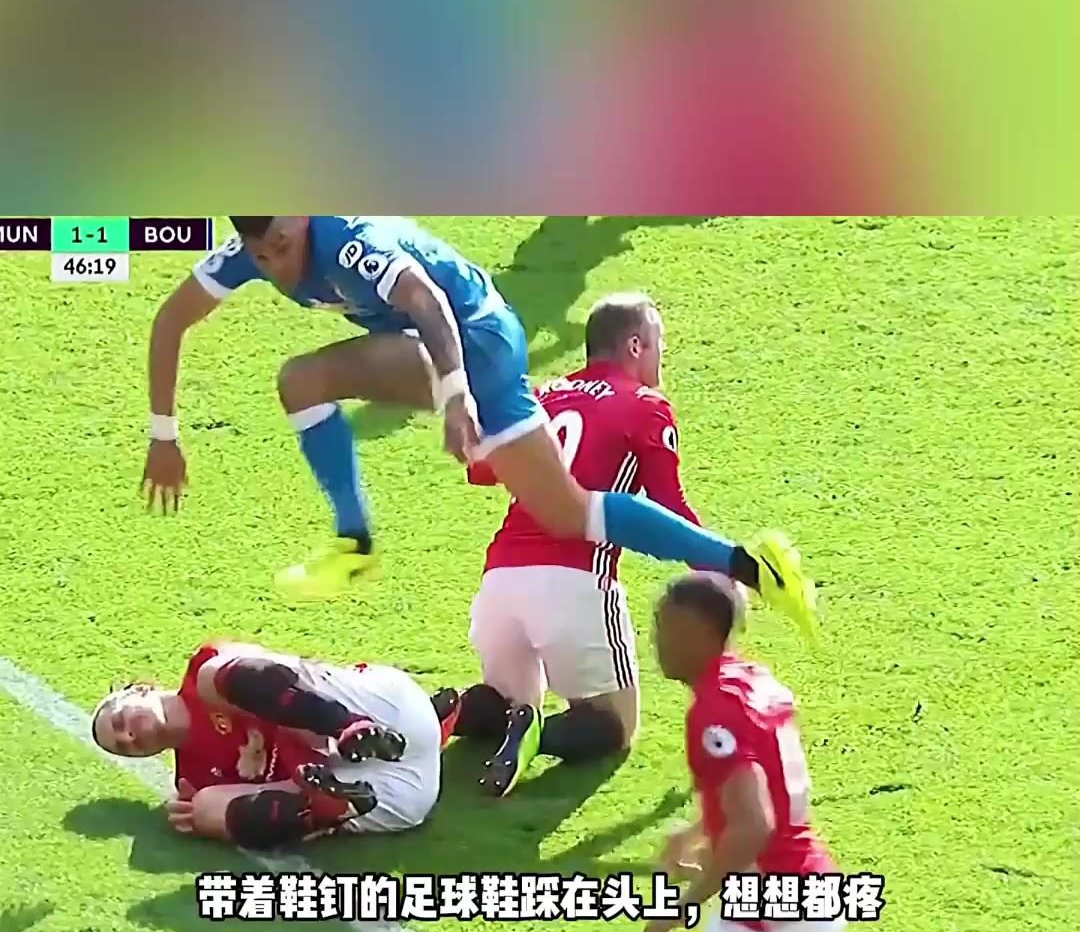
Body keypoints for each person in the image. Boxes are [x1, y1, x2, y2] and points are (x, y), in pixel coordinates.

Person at [140, 216, 816, 640]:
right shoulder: (251, 248)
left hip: (473, 341)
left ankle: (354, 542)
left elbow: (429, 302)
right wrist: (163, 433)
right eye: (262, 257)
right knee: (570, 512)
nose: (277, 267)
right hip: (459, 343)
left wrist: (456, 393)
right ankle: (749, 564)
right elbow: (171, 320)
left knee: (303, 379)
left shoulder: (351, 243)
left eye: (283, 248)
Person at [457, 292, 706, 795]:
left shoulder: (542, 397)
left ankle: (451, 710)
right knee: (615, 724)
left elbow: (480, 469)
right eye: (658, 342)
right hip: (576, 581)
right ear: (634, 345)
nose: (662, 353)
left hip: (499, 582)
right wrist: (717, 565)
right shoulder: (645, 406)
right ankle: (535, 735)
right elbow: (668, 505)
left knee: (505, 699)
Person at [91, 640, 459, 849]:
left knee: (213, 676)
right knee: (204, 808)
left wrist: (315, 738)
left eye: (120, 721)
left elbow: (280, 673)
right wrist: (207, 820)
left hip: (381, 711)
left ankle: (347, 727)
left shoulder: (203, 666)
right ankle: (324, 809)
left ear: (141, 689)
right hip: (395, 794)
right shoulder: (194, 779)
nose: (128, 737)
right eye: (123, 747)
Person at [643, 574, 841, 932]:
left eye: (666, 628)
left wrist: (683, 906)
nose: (656, 641)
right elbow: (765, 789)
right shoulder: (752, 680)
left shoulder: (714, 714)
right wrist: (696, 833)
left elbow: (753, 825)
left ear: (700, 633)